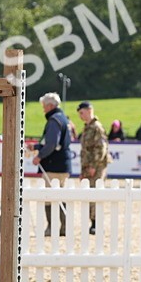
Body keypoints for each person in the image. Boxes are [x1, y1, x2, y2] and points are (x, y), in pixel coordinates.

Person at [32, 92, 72, 236]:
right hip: (63, 164)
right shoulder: (64, 119)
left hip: (54, 165)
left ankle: (52, 227)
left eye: (44, 106)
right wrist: (37, 147)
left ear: (50, 106)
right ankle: (64, 228)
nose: (43, 109)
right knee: (61, 195)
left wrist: (39, 156)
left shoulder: (54, 120)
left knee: (50, 197)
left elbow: (52, 143)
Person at [77, 102, 110, 235]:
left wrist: (93, 166)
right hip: (88, 166)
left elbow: (100, 148)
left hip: (97, 166)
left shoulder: (96, 127)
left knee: (96, 194)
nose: (80, 116)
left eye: (82, 113)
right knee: (90, 194)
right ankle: (92, 222)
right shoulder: (87, 127)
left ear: (89, 111)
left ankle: (96, 223)